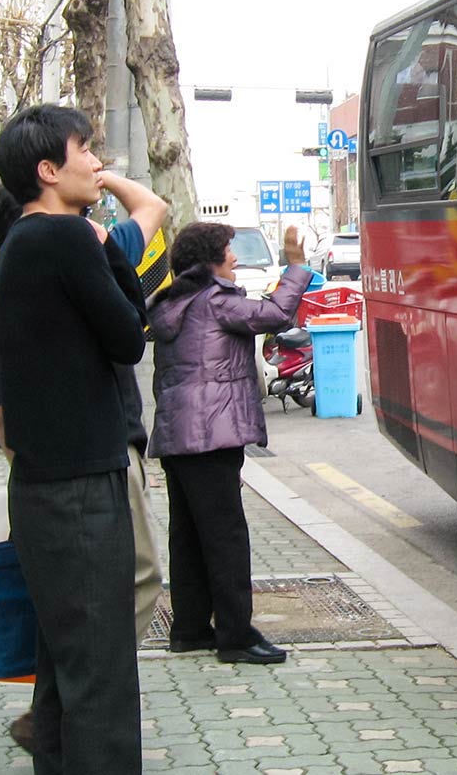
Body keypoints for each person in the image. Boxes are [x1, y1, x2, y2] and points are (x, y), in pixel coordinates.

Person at [0, 172, 169, 752]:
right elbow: (131, 333)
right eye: (81, 150)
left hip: (61, 471)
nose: (93, 161)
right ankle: (79, 688)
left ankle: (64, 701)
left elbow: (3, 410)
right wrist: (97, 186)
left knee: (74, 624)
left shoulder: (20, 266)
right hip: (93, 469)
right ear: (46, 176)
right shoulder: (74, 243)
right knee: (117, 605)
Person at [147, 221, 310, 665]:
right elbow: (276, 314)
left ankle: (190, 629)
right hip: (212, 436)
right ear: (209, 262)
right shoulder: (215, 301)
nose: (235, 258)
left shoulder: (174, 303)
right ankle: (236, 636)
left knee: (187, 535)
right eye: (228, 251)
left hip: (177, 435)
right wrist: (296, 267)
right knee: (226, 538)